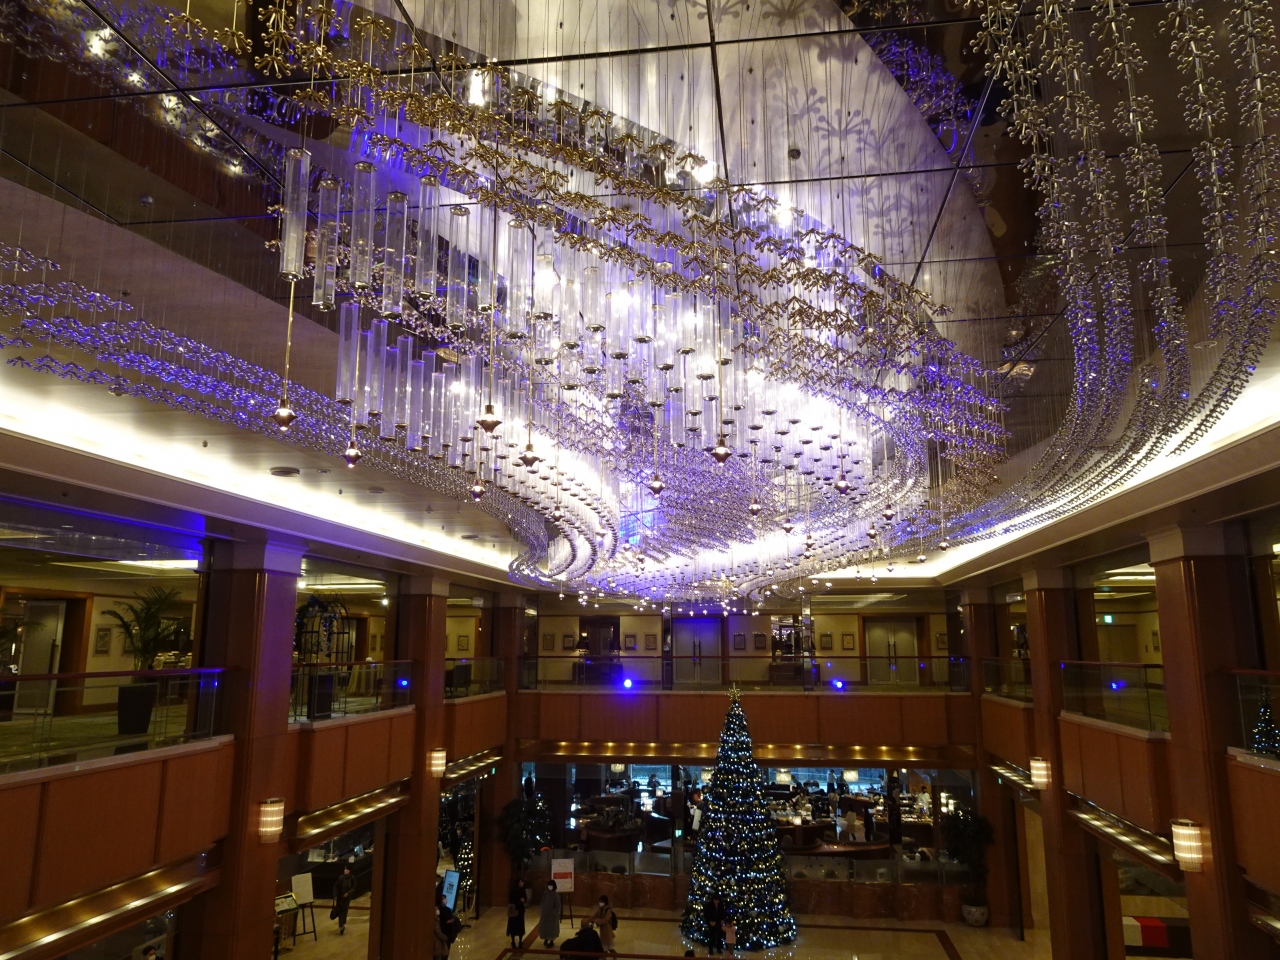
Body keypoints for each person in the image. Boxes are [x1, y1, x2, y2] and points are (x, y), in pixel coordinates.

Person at [332, 865, 356, 935]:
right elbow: (335, 886)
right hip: (340, 898)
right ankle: (341, 926)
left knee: (344, 911)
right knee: (340, 911)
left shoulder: (352, 878)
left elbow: (353, 887)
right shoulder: (341, 877)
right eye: (345, 869)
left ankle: (342, 924)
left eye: (347, 869)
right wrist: (335, 895)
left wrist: (348, 893)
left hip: (346, 898)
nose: (345, 870)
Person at [539, 879, 562, 947]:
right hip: (545, 914)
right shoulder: (545, 893)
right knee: (545, 928)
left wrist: (554, 913)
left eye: (551, 885)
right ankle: (546, 939)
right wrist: (542, 908)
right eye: (549, 885)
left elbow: (558, 905)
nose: (549, 886)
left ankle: (551, 941)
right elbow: (543, 901)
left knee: (552, 929)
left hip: (552, 916)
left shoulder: (555, 895)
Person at [507, 877, 527, 949]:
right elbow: (511, 900)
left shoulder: (523, 890)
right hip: (514, 910)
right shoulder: (513, 890)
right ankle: (513, 941)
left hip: (520, 910)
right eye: (520, 882)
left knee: (520, 926)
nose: (522, 883)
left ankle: (520, 941)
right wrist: (519, 900)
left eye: (522, 881)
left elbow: (525, 898)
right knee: (513, 926)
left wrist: (523, 900)